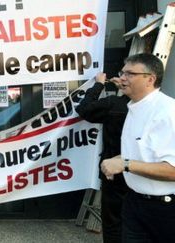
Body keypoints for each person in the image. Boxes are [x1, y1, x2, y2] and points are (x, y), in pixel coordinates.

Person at [101, 53, 175, 242]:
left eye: (130, 74)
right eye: (122, 72)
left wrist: (125, 164)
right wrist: (120, 159)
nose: (122, 78)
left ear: (150, 79)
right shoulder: (135, 107)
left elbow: (173, 170)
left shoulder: (167, 113)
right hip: (134, 203)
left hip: (166, 210)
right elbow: (146, 151)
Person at [75, 72, 130, 243]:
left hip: (113, 173)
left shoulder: (114, 104)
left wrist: (99, 84)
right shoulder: (159, 107)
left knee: (113, 222)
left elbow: (83, 109)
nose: (122, 77)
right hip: (140, 174)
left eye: (126, 75)